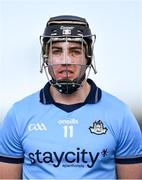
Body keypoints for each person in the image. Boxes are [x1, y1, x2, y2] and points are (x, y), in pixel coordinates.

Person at [0, 15, 142, 179]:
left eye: (75, 51)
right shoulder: (19, 114)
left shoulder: (120, 114)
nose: (65, 60)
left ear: (88, 57)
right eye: (57, 51)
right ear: (46, 57)